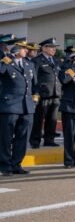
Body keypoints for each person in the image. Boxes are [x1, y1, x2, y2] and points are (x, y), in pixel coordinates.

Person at [0, 40, 38, 176]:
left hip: (27, 107)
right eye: (22, 48)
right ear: (15, 49)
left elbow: (35, 86)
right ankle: (5, 165)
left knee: (23, 137)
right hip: (10, 106)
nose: (26, 50)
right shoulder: (6, 62)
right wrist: (8, 58)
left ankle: (16, 164)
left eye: (26, 48)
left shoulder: (29, 64)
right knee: (6, 138)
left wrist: (34, 101)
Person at [30, 37, 61, 149]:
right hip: (43, 94)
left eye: (54, 47)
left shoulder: (56, 60)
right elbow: (34, 78)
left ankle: (49, 139)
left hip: (55, 93)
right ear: (44, 48)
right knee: (38, 119)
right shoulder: (37, 60)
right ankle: (35, 140)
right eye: (51, 47)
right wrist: (35, 93)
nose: (54, 49)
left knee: (52, 119)